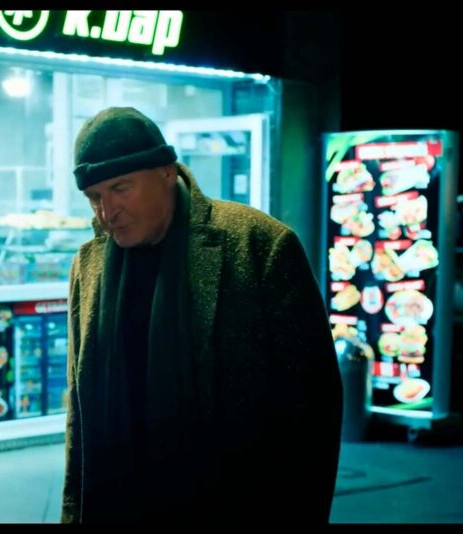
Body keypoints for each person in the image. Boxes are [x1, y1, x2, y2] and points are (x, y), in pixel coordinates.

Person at [61, 107, 343, 525]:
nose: (106, 212)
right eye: (94, 196)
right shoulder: (89, 265)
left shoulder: (258, 245)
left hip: (230, 503)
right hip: (118, 500)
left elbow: (313, 407)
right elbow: (79, 413)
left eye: (120, 188)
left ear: (167, 171)